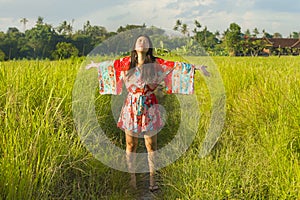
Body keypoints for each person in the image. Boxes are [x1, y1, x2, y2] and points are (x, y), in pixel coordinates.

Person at [86, 34, 210, 192]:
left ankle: (153, 180)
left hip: (150, 106)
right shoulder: (126, 63)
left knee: (151, 146)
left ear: (149, 46)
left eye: (144, 41)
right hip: (130, 107)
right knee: (131, 145)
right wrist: (95, 65)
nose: (141, 42)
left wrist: (198, 68)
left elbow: (175, 66)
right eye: (139, 40)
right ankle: (132, 181)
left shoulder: (156, 63)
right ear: (134, 46)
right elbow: (111, 65)